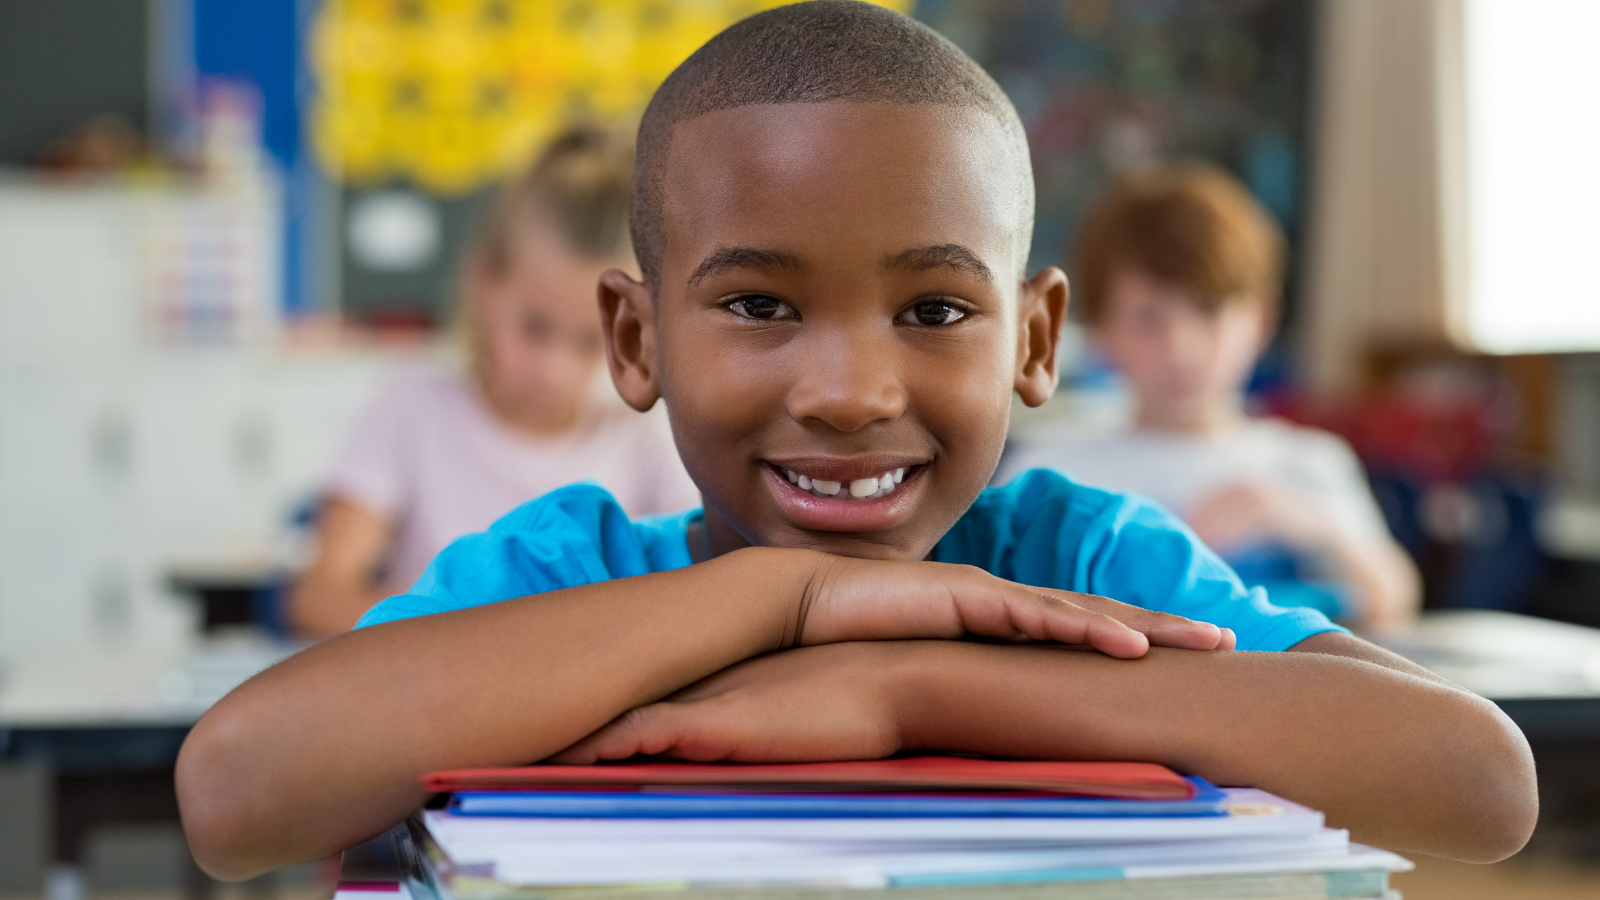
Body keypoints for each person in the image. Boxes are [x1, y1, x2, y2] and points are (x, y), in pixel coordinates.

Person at [177, 2, 1535, 880]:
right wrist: (786, 596)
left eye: (937, 307)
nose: (847, 388)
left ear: (1034, 341)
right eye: (760, 304)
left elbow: (1477, 782)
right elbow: (238, 794)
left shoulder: (1075, 560)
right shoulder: (569, 582)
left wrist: (919, 687)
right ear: (637, 342)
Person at [286, 126, 700, 637]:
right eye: (534, 328)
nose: (554, 370)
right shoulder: (411, 408)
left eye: (588, 342)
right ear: (484, 283)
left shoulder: (641, 440)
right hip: (434, 694)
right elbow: (320, 595)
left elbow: (698, 600)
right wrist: (482, 645)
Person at [1000, 166, 1421, 632]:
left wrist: (1304, 523)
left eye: (1208, 311)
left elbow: (1393, 600)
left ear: (1261, 318)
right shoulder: (1050, 470)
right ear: (1101, 330)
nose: (1182, 348)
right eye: (1148, 318)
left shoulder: (1306, 463)